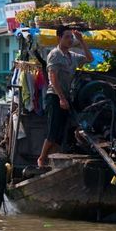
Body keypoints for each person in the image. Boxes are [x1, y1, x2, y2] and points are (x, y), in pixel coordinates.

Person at [37, 26, 93, 167]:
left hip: (66, 98)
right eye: (66, 37)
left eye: (71, 37)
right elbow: (53, 78)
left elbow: (90, 58)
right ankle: (42, 158)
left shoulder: (72, 56)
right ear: (59, 38)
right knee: (53, 131)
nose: (69, 40)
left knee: (62, 131)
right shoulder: (55, 54)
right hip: (55, 96)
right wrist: (61, 98)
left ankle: (51, 160)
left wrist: (81, 41)